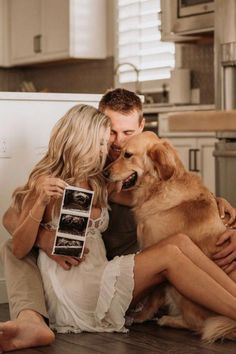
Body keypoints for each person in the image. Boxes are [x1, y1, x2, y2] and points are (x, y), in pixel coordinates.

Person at [0, 89, 236, 352]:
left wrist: (215, 205)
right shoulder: (56, 184)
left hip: (104, 276)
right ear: (83, 139)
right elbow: (13, 222)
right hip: (85, 287)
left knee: (177, 243)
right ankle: (31, 320)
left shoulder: (106, 182)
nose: (114, 144)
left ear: (141, 127)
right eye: (108, 136)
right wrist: (44, 235)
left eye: (126, 135)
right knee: (172, 250)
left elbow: (162, 195)